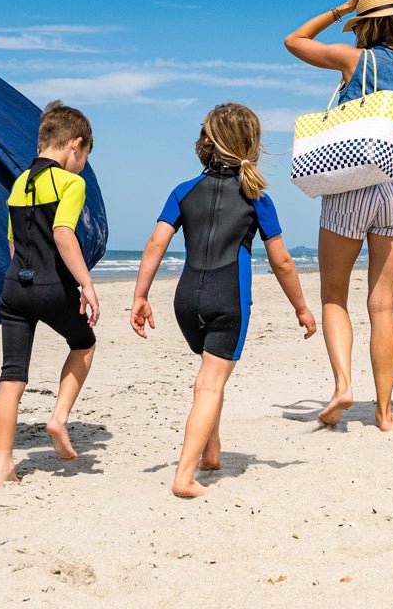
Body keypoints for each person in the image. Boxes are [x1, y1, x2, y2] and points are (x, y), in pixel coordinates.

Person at [130, 103, 317, 498]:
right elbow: (282, 261)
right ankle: (184, 476)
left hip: (186, 301)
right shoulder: (256, 198)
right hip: (228, 298)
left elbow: (155, 244)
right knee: (210, 384)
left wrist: (141, 295)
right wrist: (301, 307)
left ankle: (211, 451)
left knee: (209, 377)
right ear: (251, 145)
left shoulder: (183, 191)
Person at [284, 0, 393, 432]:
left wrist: (341, 8)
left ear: (367, 25)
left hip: (350, 180)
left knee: (335, 295)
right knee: (383, 304)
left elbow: (294, 41)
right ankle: (383, 412)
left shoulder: (356, 60)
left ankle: (342, 385)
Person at [0, 101, 101, 487]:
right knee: (83, 343)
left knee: (12, 374)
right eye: (85, 155)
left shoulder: (19, 182)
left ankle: (3, 465)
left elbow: (11, 243)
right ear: (76, 144)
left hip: (13, 288)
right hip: (52, 287)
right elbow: (63, 233)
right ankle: (58, 417)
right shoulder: (72, 183)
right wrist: (86, 284)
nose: (83, 164)